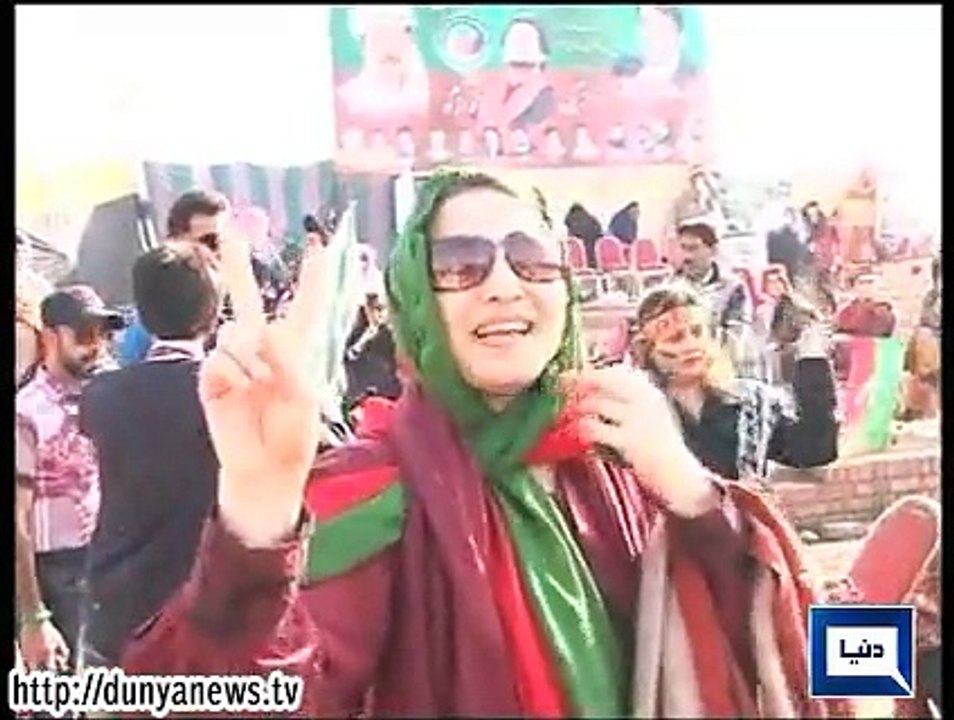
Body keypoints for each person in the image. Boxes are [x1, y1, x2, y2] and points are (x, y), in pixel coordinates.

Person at [122, 171, 848, 718]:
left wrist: (697, 500)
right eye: (460, 263)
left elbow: (813, 652)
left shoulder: (616, 459)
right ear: (414, 301)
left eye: (531, 257)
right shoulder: (371, 493)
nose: (503, 285)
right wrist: (253, 517)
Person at [78, 242, 223, 667]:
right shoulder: (226, 395)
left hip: (118, 606)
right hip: (204, 602)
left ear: (140, 311)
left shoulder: (101, 395)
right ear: (214, 313)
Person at [16, 286, 125, 671]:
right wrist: (34, 617)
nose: (96, 346)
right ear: (49, 337)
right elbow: (18, 522)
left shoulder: (109, 394)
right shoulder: (27, 412)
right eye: (83, 335)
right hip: (55, 573)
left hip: (108, 562)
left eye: (103, 334)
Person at [632, 285, 838, 482]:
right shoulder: (639, 416)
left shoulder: (753, 403)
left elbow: (814, 450)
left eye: (697, 332)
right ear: (649, 351)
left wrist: (812, 357)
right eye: (675, 338)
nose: (690, 344)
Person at [117, 189, 229, 366]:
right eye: (209, 241)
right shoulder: (152, 324)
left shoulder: (247, 305)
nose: (220, 251)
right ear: (175, 244)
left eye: (227, 241)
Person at [338, 6, 430, 126]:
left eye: (396, 37)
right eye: (379, 38)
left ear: (411, 42)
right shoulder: (346, 100)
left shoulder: (430, 98)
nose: (388, 48)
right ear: (363, 47)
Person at [673, 219, 751, 337]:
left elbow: (736, 337)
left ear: (713, 250)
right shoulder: (670, 287)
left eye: (694, 248)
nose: (687, 256)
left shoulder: (733, 288)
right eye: (683, 248)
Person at [478, 17, 556, 133]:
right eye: (516, 65)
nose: (520, 74)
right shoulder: (493, 92)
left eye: (525, 66)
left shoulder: (543, 96)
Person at [834, 272, 896, 338]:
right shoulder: (845, 313)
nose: (866, 287)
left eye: (870, 282)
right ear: (854, 287)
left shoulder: (888, 316)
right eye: (862, 283)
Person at [563, 202, 604, 268]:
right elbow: (600, 235)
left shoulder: (571, 221)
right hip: (594, 253)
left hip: (579, 258)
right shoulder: (592, 219)